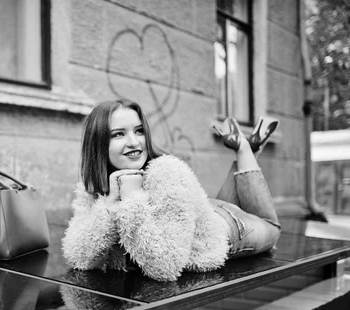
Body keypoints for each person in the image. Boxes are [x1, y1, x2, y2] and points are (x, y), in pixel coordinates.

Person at [62, 99, 281, 282]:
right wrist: (110, 202)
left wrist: (131, 200)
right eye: (118, 134)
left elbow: (165, 268)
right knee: (213, 207)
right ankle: (247, 152)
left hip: (228, 228)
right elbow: (77, 255)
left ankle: (243, 148)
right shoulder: (94, 184)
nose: (134, 142)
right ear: (98, 144)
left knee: (271, 226)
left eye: (139, 131)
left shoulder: (168, 171)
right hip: (197, 212)